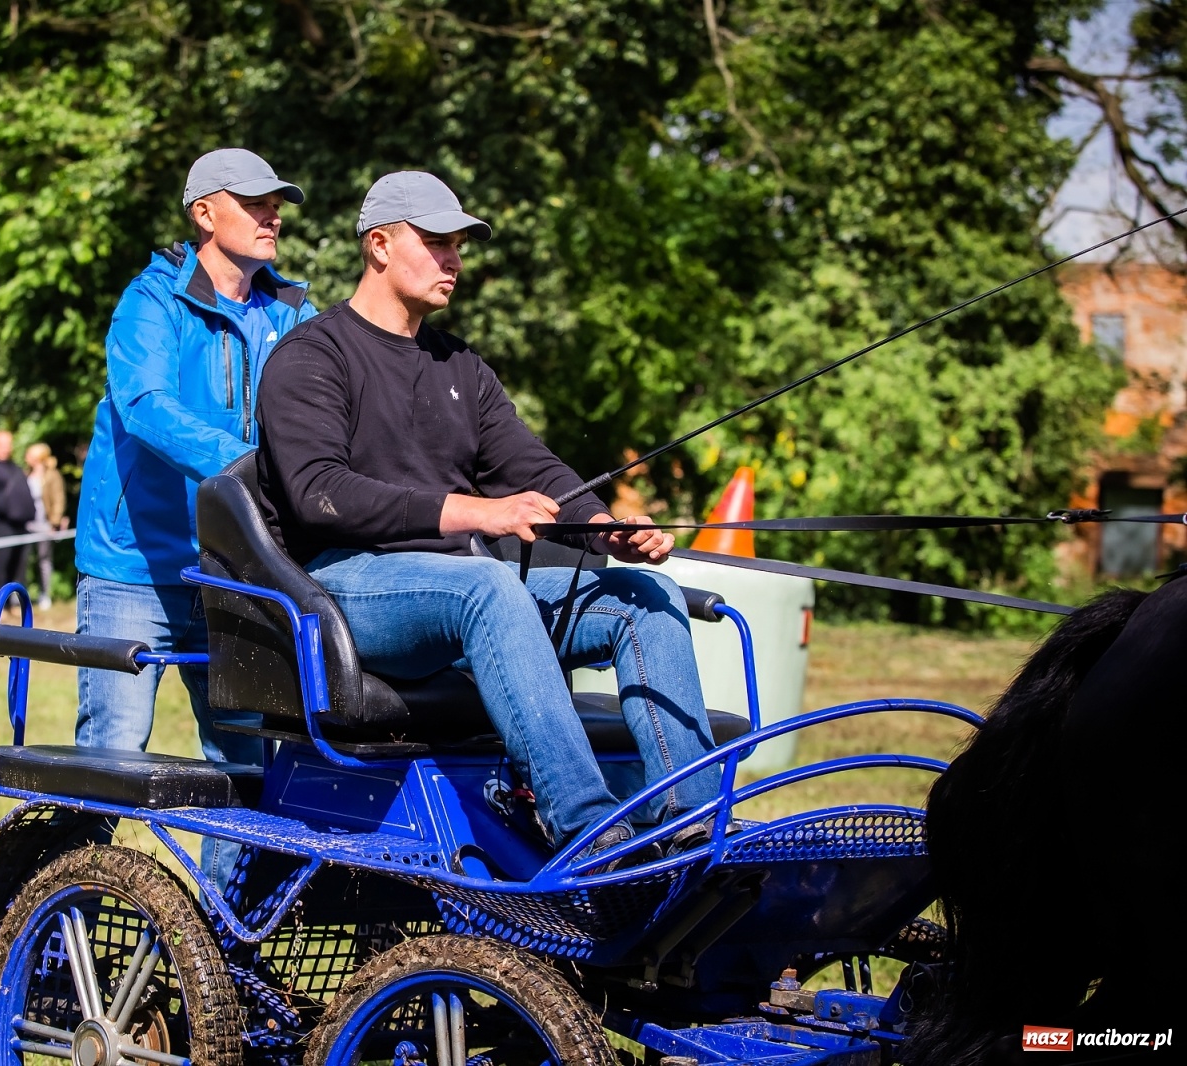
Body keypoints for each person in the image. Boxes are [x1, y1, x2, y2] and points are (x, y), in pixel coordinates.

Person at [255, 172, 720, 861]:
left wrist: (601, 524)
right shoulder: (312, 356)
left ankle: (692, 825)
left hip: (463, 588)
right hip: (345, 587)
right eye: (437, 242)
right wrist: (473, 511)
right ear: (379, 245)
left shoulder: (462, 368)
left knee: (644, 599)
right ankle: (588, 832)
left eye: (460, 246)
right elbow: (321, 493)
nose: (455, 260)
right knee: (490, 587)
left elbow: (531, 466)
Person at [74, 147, 315, 885]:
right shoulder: (149, 303)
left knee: (241, 763)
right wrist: (251, 464)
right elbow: (146, 407)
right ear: (204, 214)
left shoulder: (294, 313)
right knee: (111, 758)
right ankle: (60, 930)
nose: (273, 214)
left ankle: (215, 946)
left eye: (278, 202)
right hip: (132, 567)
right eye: (255, 202)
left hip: (234, 571)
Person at [0, 431, 36, 608]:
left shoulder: (15, 468)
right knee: (0, 568)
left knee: (19, 568)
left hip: (22, 526)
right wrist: (10, 510)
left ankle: (17, 606)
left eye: (8, 444)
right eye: (2, 444)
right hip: (2, 524)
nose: (6, 448)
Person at [24, 443, 66, 612]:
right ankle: (21, 594)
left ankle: (44, 594)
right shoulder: (25, 475)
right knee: (24, 561)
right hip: (27, 524)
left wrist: (54, 522)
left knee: (44, 560)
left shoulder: (52, 475)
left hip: (45, 525)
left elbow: (58, 499)